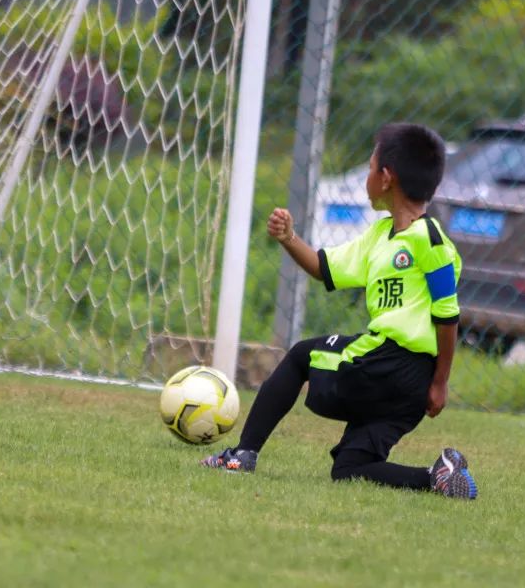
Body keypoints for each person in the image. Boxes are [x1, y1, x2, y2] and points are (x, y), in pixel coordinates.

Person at [202, 123, 477, 499]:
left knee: (301, 355)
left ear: (386, 178)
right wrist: (288, 238)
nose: (366, 176)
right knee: (350, 468)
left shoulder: (430, 241)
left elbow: (448, 315)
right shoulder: (380, 236)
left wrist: (441, 381)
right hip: (405, 386)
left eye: (369, 168)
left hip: (391, 363)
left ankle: (241, 454)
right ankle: (437, 476)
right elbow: (322, 267)